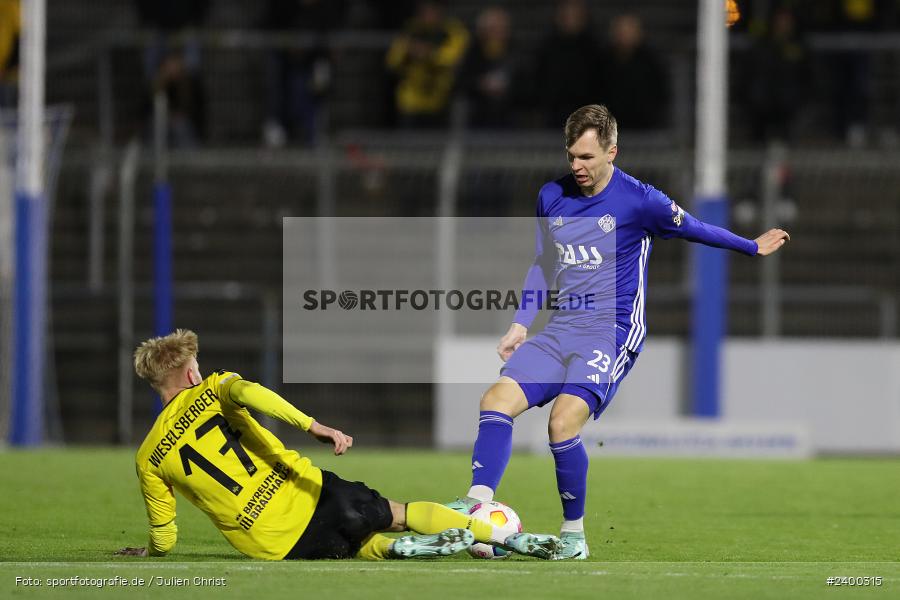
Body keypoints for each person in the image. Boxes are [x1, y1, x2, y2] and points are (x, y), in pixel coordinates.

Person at [446, 105, 791, 559]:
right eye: (572, 156)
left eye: (587, 157)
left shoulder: (639, 199)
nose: (577, 167)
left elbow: (693, 227)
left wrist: (750, 247)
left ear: (612, 151)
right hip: (560, 329)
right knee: (495, 400)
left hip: (610, 331)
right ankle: (478, 503)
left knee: (562, 421)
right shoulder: (552, 196)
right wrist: (520, 323)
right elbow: (543, 263)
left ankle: (573, 536)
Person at [115, 329, 562, 560]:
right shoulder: (215, 387)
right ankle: (502, 537)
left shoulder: (148, 456)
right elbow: (254, 394)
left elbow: (165, 536)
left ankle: (393, 549)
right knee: (393, 513)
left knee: (358, 547)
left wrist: (151, 552)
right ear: (191, 372)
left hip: (272, 545)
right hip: (313, 493)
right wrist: (313, 426)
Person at [385, 0, 469, 129]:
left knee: (437, 145)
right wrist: (408, 52)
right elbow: (392, 62)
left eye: (432, 9)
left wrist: (429, 54)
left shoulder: (452, 31)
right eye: (425, 10)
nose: (428, 14)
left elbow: (453, 58)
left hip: (441, 100)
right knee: (409, 145)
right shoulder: (411, 30)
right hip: (411, 101)